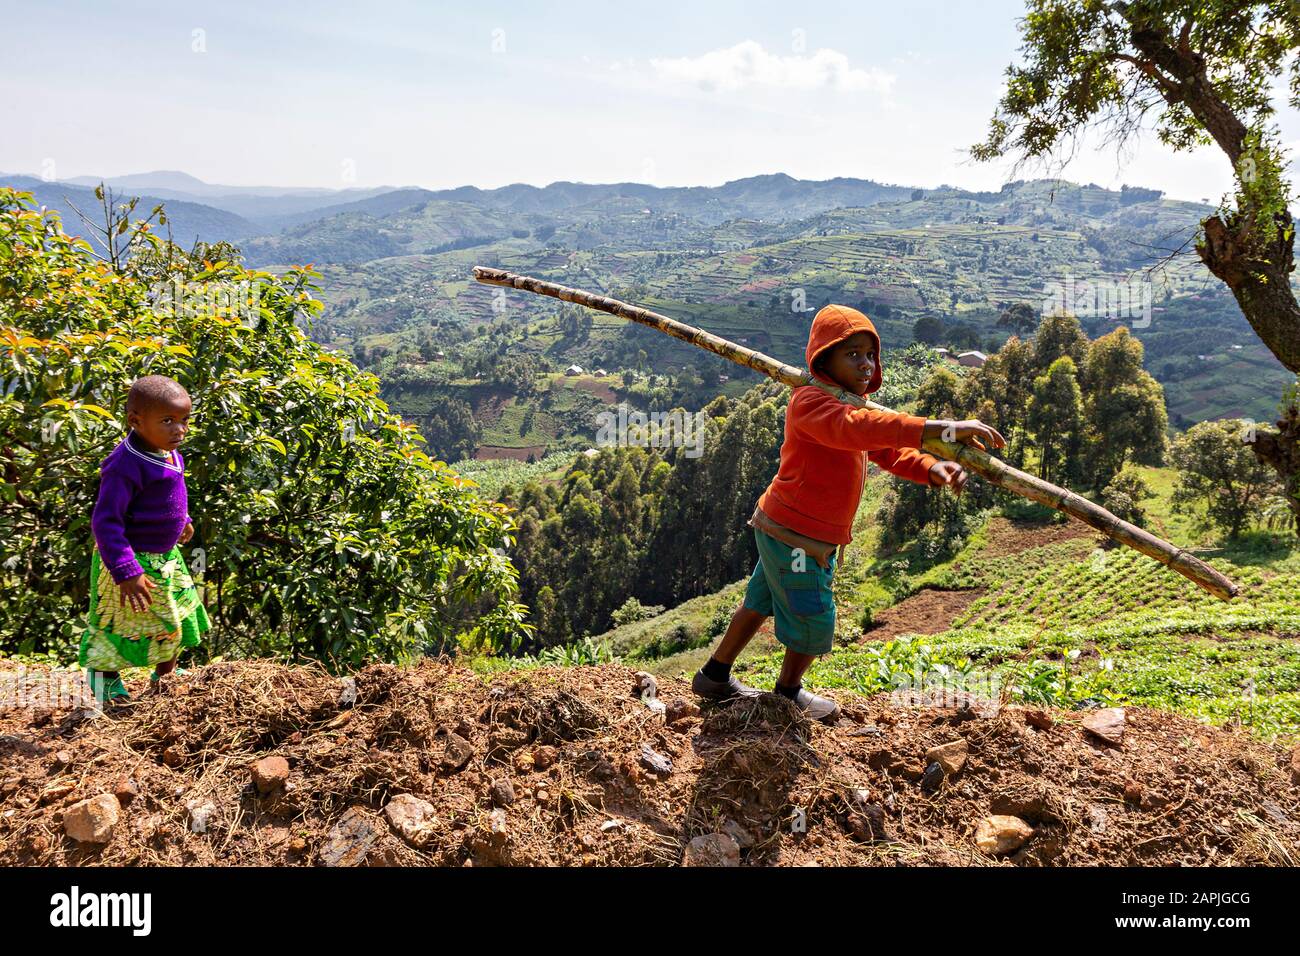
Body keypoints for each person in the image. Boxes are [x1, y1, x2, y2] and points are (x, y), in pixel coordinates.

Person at [692, 304, 1004, 721]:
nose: (865, 363)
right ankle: (787, 694)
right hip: (797, 536)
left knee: (760, 600)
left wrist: (931, 467)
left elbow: (883, 448)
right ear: (824, 359)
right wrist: (941, 428)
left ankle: (714, 675)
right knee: (815, 617)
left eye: (869, 354)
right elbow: (856, 429)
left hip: (786, 528)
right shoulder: (811, 404)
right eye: (852, 353)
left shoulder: (852, 405)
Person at [82, 375, 209, 706]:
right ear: (135, 421)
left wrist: (183, 521)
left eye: (184, 420)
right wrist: (126, 570)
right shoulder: (124, 465)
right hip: (130, 561)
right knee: (116, 624)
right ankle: (103, 679)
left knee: (175, 617)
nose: (179, 430)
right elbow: (105, 521)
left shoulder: (168, 450)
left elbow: (171, 493)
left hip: (165, 556)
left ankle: (165, 677)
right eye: (167, 421)